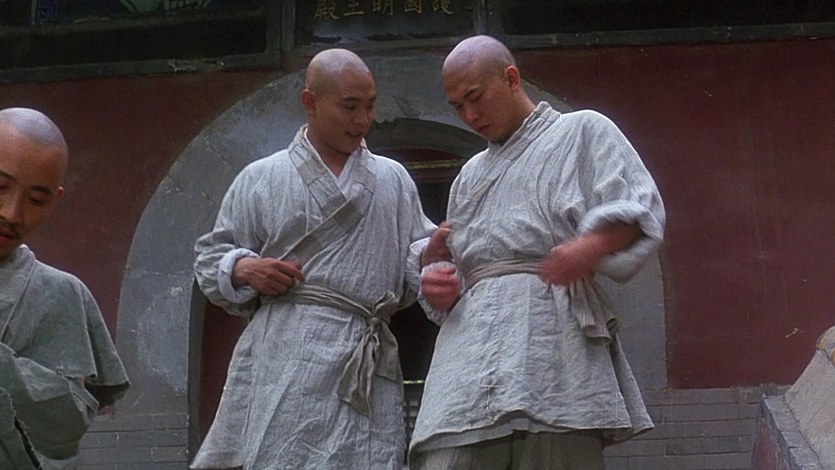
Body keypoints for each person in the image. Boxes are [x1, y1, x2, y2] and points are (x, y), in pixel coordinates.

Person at [407, 35, 666, 469]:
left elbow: (640, 210)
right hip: (469, 351)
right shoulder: (468, 176)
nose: (469, 116)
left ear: (511, 79)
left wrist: (592, 245)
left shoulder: (583, 130)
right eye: (457, 107)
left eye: (476, 98)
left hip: (554, 341)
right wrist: (440, 284)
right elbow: (465, 268)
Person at [191, 48, 436, 470]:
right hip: (287, 354)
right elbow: (211, 258)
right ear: (311, 102)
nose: (363, 119)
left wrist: (435, 258)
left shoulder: (392, 179)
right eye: (350, 106)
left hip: (365, 352)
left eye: (370, 106)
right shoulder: (261, 178)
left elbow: (417, 254)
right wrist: (245, 268)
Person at [0, 107, 130, 469]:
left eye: (36, 200)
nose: (12, 213)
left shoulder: (60, 294)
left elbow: (64, 427)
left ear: (55, 200)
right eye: (0, 187)